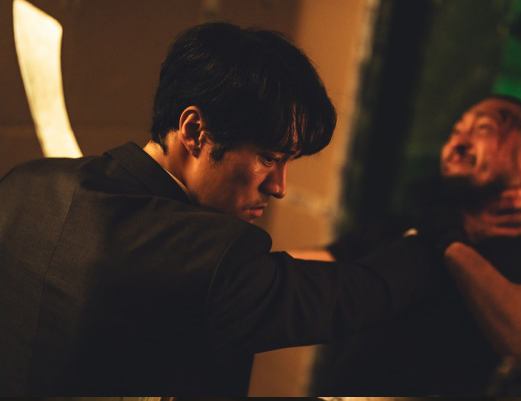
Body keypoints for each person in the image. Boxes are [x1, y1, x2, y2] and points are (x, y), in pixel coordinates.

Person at [0, 22, 444, 396]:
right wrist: (440, 237)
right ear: (195, 130)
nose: (280, 187)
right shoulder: (213, 256)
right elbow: (354, 297)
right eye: (269, 157)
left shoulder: (25, 183)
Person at [305, 95, 521, 395]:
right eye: (456, 131)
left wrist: (453, 243)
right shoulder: (401, 229)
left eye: (484, 129)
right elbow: (299, 285)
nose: (457, 143)